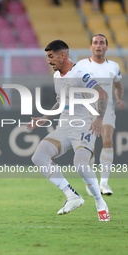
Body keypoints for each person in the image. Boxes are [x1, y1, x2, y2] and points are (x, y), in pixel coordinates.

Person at [27, 40, 110, 221]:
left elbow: (102, 93)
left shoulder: (79, 72)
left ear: (62, 55)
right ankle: (72, 196)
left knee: (80, 165)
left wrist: (98, 119)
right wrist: (44, 117)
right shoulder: (58, 76)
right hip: (64, 127)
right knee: (38, 157)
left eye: (51, 57)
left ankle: (99, 202)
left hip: (83, 126)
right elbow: (61, 100)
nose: (48, 61)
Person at [77, 34, 125, 196]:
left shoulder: (113, 66)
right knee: (91, 146)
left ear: (106, 47)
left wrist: (119, 99)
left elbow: (118, 85)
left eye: (101, 43)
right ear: (91, 47)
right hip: (87, 111)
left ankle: (104, 183)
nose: (98, 45)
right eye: (95, 43)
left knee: (108, 139)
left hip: (107, 109)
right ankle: (92, 183)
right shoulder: (82, 65)